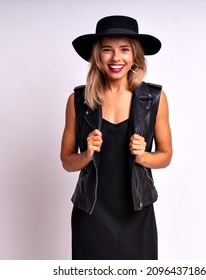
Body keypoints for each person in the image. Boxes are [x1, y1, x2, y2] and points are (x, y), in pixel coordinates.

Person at [60, 15, 172, 260]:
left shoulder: (153, 99)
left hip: (137, 211)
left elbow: (165, 156)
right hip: (91, 213)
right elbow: (67, 161)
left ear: (135, 55)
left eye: (124, 49)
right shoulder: (78, 101)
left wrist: (144, 156)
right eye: (107, 50)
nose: (116, 58)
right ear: (97, 56)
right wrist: (86, 154)